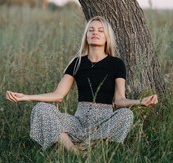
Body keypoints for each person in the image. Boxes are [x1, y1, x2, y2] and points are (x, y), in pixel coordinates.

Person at [6, 16, 158, 154]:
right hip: (77, 122)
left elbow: (119, 101)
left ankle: (87, 146)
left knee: (126, 114)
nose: (95, 33)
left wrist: (140, 102)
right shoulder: (77, 62)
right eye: (90, 30)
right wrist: (25, 97)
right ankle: (74, 151)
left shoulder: (116, 64)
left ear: (107, 37)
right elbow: (58, 96)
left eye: (100, 30)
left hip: (103, 123)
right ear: (86, 36)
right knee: (41, 108)